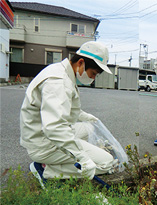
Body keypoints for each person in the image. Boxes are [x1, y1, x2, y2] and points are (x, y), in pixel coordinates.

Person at [20, 41, 116, 186]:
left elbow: (63, 108)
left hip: (42, 134)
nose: (93, 79)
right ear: (81, 62)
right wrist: (82, 157)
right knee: (106, 163)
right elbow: (54, 127)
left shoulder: (60, 71)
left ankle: (62, 159)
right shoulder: (58, 82)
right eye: (93, 74)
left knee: (89, 128)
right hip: (43, 143)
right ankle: (45, 170)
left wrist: (85, 116)